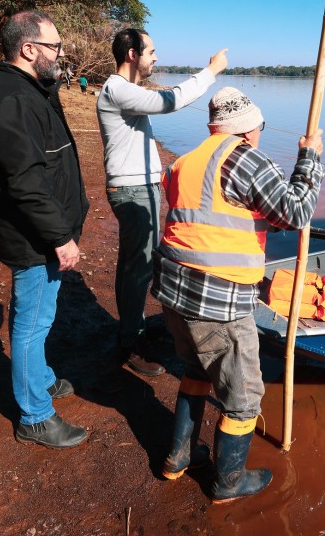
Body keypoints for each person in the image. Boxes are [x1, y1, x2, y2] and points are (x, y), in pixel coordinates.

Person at [151, 87, 324, 503]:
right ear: (249, 129)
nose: (260, 134)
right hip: (219, 301)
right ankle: (228, 483)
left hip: (174, 292)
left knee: (195, 372)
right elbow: (296, 213)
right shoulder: (246, 157)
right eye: (260, 127)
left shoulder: (183, 162)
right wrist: (310, 159)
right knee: (244, 398)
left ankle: (179, 457)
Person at [0, 10, 90, 449]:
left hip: (39, 230)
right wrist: (60, 237)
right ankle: (35, 417)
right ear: (28, 49)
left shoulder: (28, 89)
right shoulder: (12, 98)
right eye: (55, 46)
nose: (61, 53)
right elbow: (25, 180)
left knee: (37, 314)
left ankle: (40, 378)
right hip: (33, 236)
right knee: (31, 324)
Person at [96, 27, 228, 376]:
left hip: (138, 187)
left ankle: (132, 330)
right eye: (151, 51)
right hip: (133, 190)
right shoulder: (119, 89)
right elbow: (171, 101)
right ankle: (131, 342)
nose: (156, 57)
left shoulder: (126, 90)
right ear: (132, 55)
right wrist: (211, 72)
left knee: (134, 267)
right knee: (139, 268)